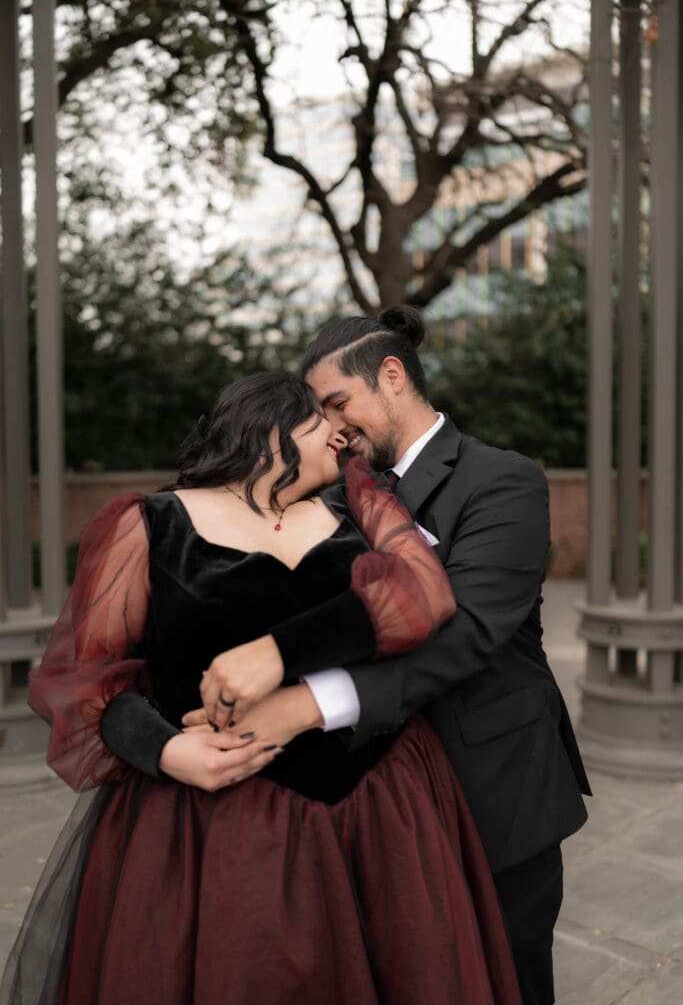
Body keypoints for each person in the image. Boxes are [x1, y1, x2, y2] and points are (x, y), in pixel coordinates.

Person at [1, 373, 522, 1005]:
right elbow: (87, 682)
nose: (341, 432)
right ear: (271, 424)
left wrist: (277, 652)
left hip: (373, 803)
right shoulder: (150, 523)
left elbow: (423, 598)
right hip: (202, 825)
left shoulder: (359, 503)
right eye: (321, 417)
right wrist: (166, 752)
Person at [286, 306, 591, 1005]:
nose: (333, 426)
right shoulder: (334, 492)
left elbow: (472, 631)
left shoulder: (501, 480)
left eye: (338, 402)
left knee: (507, 979)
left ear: (390, 375)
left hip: (495, 784)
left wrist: (312, 703)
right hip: (380, 795)